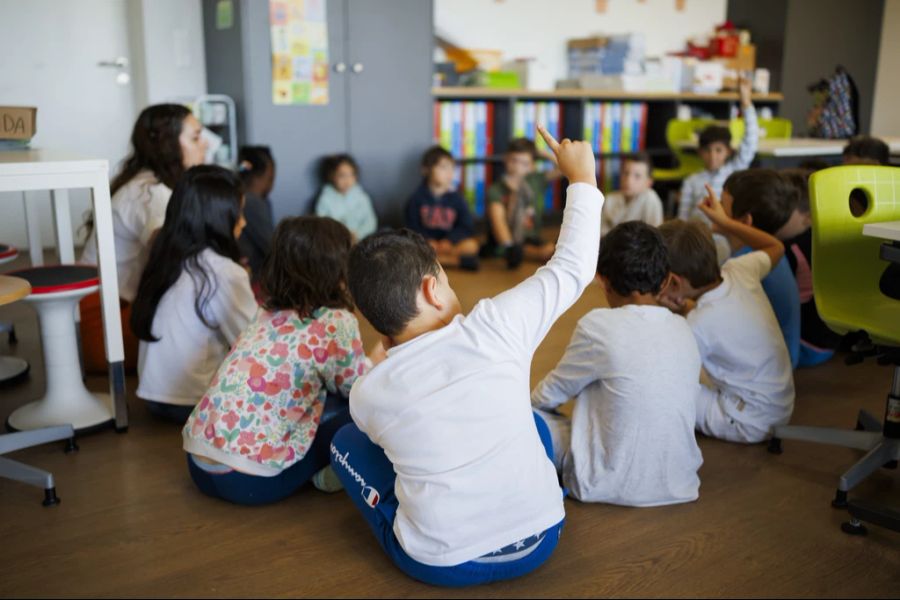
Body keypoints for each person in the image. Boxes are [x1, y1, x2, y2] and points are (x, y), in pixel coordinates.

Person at [330, 127, 601, 586]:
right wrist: (583, 179)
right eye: (448, 282)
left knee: (346, 443)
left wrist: (384, 363)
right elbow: (573, 267)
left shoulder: (368, 391)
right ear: (432, 288)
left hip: (444, 563)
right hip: (543, 534)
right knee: (530, 420)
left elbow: (391, 430)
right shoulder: (498, 324)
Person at [183, 216, 381, 504]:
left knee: (318, 393)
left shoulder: (265, 312)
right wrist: (378, 357)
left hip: (200, 465)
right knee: (359, 414)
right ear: (337, 272)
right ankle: (328, 471)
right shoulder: (337, 321)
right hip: (250, 481)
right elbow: (360, 390)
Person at [532, 221, 703, 507]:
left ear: (602, 279)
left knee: (532, 419)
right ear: (665, 281)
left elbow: (551, 394)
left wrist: (529, 409)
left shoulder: (597, 325)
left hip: (601, 483)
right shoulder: (684, 328)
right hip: (680, 482)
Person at [659, 185, 794, 444]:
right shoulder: (740, 268)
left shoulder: (698, 324)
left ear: (674, 283)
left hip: (748, 422)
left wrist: (661, 305)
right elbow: (775, 246)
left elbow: (664, 367)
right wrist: (725, 222)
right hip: (779, 404)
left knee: (658, 385)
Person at [79, 104, 208, 373]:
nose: (205, 144)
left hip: (109, 312)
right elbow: (176, 256)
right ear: (168, 144)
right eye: (195, 137)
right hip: (107, 326)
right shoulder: (150, 194)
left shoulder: (145, 183)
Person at [130, 165, 256, 422]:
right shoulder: (224, 272)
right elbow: (252, 341)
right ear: (218, 219)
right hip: (195, 400)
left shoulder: (166, 256)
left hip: (154, 397)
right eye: (238, 214)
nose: (243, 222)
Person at [485, 137, 560, 268]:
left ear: (531, 166)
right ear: (506, 159)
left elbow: (563, 169)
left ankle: (545, 252)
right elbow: (499, 222)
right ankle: (520, 251)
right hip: (510, 240)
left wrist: (542, 153)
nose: (517, 167)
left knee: (551, 248)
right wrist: (509, 246)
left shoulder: (535, 180)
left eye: (524, 164)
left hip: (532, 238)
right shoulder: (497, 189)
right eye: (514, 161)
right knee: (543, 252)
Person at [405, 145, 480, 271]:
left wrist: (450, 240)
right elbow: (412, 227)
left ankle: (433, 262)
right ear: (426, 170)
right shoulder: (416, 198)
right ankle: (454, 262)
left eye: (452, 168)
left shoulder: (457, 198)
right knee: (409, 248)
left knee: (472, 246)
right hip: (427, 244)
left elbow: (466, 226)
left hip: (450, 245)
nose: (449, 173)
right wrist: (428, 241)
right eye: (443, 167)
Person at [315, 153, 378, 241]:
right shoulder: (325, 199)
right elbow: (322, 225)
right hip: (336, 242)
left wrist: (357, 235)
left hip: (361, 240)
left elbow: (370, 221)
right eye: (342, 175)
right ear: (331, 176)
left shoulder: (361, 196)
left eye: (351, 175)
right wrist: (342, 236)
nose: (347, 180)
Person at [600, 152, 664, 236]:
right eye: (626, 173)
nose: (628, 180)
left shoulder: (650, 199)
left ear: (649, 182)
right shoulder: (610, 199)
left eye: (637, 176)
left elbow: (656, 234)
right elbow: (601, 232)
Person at [236, 145, 276, 278]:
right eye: (271, 177)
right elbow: (272, 247)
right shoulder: (252, 202)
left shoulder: (240, 196)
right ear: (267, 173)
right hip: (253, 278)